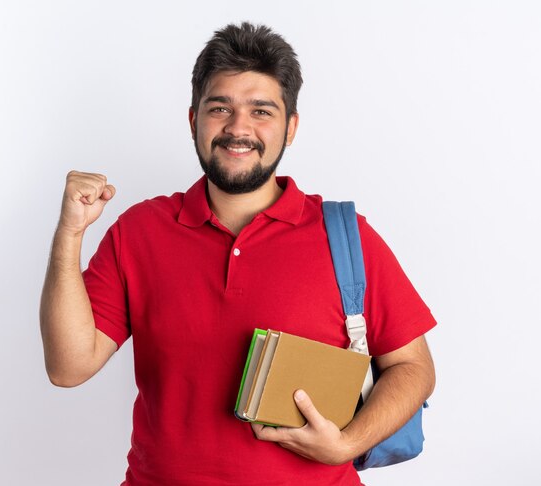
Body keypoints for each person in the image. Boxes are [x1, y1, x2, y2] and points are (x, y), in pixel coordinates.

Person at [40, 22, 436, 486]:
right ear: (194, 121)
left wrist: (348, 445)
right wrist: (70, 232)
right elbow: (68, 368)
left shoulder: (346, 236)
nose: (238, 127)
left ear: (290, 127)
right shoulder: (140, 231)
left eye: (261, 111)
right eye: (220, 107)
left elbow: (414, 368)